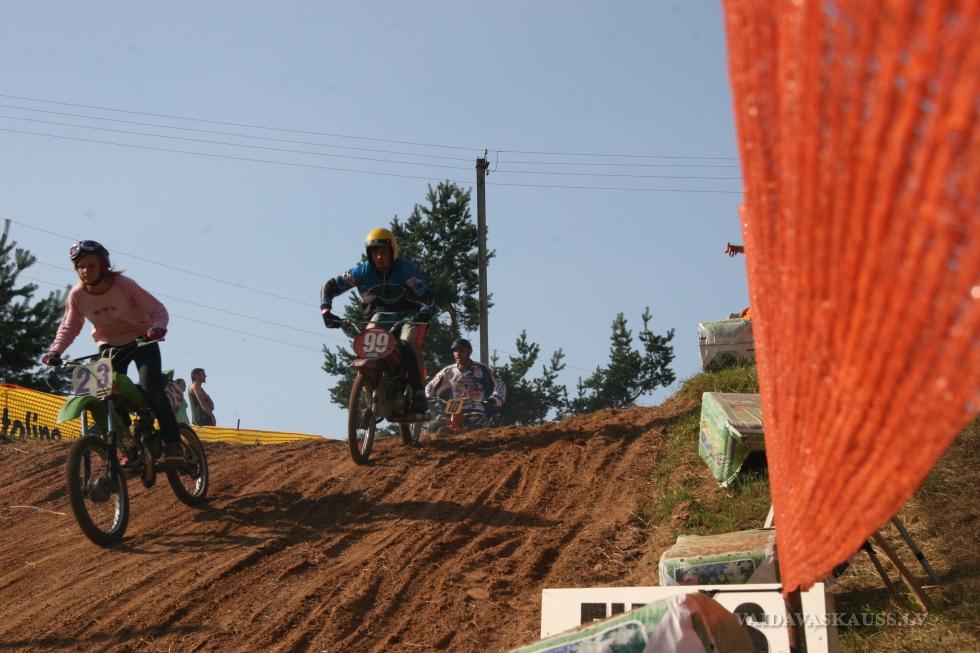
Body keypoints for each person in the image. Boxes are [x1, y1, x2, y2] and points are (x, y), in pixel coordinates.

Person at [41, 240, 183, 463]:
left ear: (104, 265)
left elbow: (157, 309)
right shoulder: (77, 295)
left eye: (91, 265)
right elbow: (69, 327)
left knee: (151, 387)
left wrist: (158, 327)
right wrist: (55, 351)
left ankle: (173, 443)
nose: (85, 271)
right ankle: (126, 443)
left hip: (142, 340)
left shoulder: (123, 285)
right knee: (104, 393)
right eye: (80, 267)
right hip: (108, 345)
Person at [320, 227, 435, 415]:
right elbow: (331, 286)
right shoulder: (361, 272)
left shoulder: (406, 270)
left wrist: (425, 312)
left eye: (383, 252)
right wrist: (326, 311)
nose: (379, 257)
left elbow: (427, 297)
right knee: (366, 343)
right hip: (381, 314)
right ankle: (373, 390)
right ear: (369, 254)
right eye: (375, 253)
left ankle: (418, 390)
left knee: (408, 342)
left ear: (392, 251)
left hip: (409, 313)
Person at [425, 338, 506, 426]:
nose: (458, 354)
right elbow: (431, 386)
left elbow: (499, 382)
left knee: (477, 430)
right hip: (454, 407)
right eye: (455, 351)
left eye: (461, 351)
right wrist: (428, 397)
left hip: (476, 407)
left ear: (469, 352)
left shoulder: (482, 369)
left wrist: (495, 398)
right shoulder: (448, 371)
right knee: (437, 426)